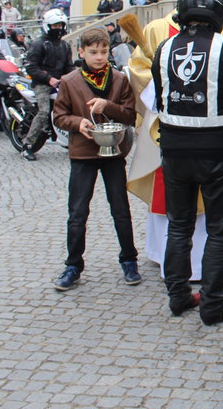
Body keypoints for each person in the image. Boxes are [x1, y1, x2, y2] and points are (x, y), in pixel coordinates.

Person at [151, 0, 223, 325]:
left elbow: (159, 98)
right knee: (218, 231)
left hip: (173, 152)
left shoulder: (164, 49)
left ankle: (179, 297)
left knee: (179, 226)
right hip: (218, 153)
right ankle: (213, 304)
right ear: (219, 12)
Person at [50, 28, 140, 291]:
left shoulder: (120, 79)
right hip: (83, 153)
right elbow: (59, 116)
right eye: (93, 52)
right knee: (77, 213)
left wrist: (107, 106)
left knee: (120, 209)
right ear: (81, 53)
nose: (99, 57)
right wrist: (78, 123)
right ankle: (73, 265)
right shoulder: (69, 81)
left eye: (103, 52)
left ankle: (129, 259)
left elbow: (130, 115)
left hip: (113, 154)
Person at [21, 10, 75, 160]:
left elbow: (69, 66)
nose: (59, 28)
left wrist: (75, 75)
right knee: (43, 112)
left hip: (60, 83)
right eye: (55, 25)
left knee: (76, 105)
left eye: (61, 25)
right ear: (48, 26)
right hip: (42, 84)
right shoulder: (38, 44)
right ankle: (28, 146)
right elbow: (30, 66)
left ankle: (71, 140)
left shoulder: (65, 45)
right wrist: (48, 78)